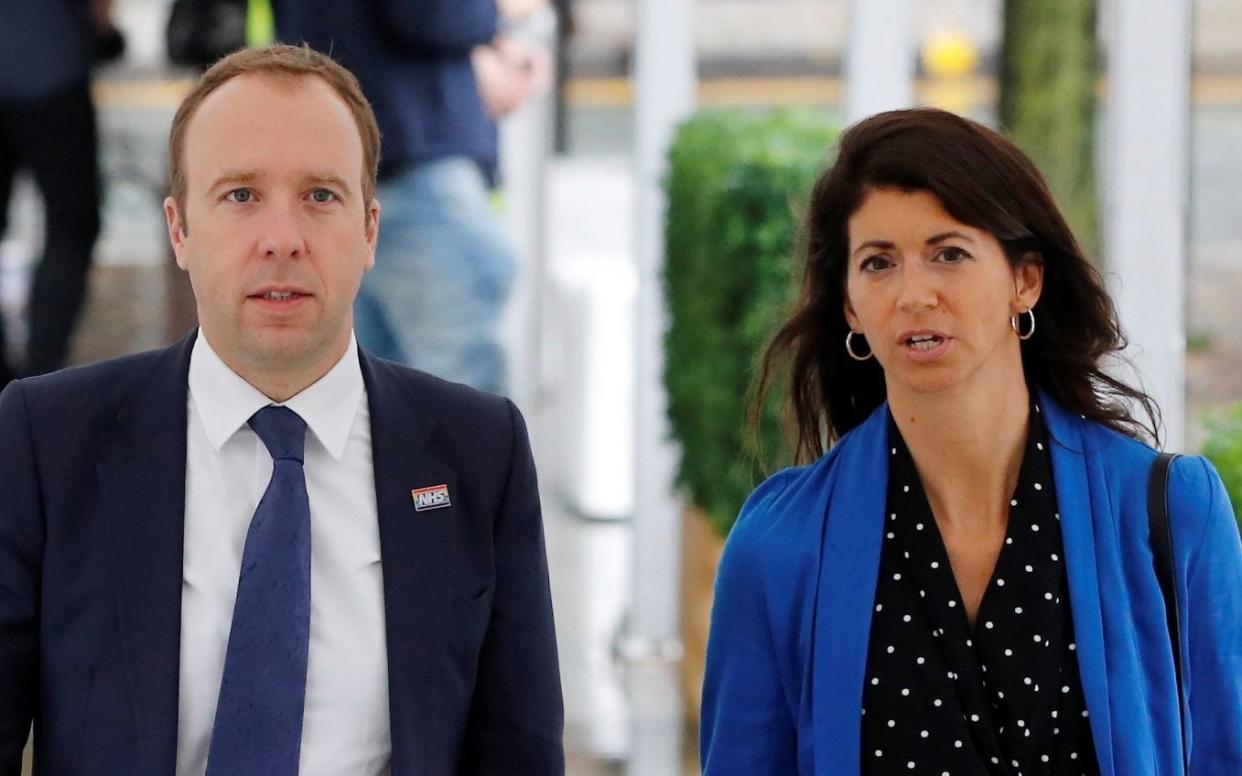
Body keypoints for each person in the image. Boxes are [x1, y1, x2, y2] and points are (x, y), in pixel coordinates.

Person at [0, 45, 563, 775]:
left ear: (369, 231)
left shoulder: (478, 451)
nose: (283, 240)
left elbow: (519, 751)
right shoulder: (49, 441)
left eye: (321, 196)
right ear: (179, 230)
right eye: (240, 196)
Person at [700, 108, 1241, 774]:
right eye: (878, 263)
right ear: (849, 306)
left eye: (948, 254)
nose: (913, 294)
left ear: (1026, 279)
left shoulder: (1170, 512)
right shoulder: (779, 548)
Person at [272, 0, 549, 396]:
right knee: (462, 409)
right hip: (412, 163)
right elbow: (430, 13)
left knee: (370, 407)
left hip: (349, 167)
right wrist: (499, 12)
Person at [0, 0, 109, 389]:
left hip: (46, 57)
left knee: (70, 227)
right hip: (49, 62)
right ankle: (41, 372)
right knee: (71, 225)